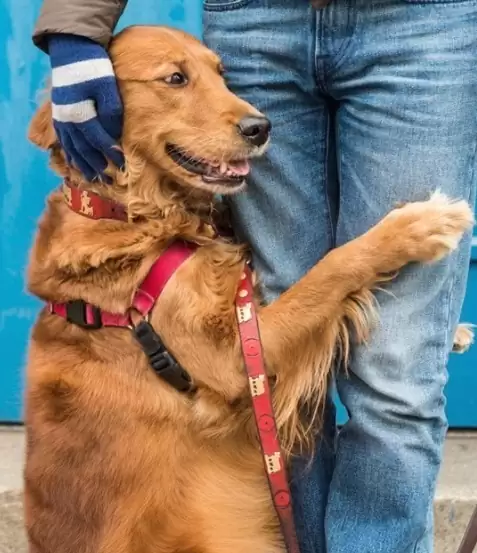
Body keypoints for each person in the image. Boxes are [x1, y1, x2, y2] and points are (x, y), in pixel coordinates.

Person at [32, 1, 477, 552]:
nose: (240, 111)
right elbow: (244, 362)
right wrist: (74, 37)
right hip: (257, 17)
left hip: (423, 20)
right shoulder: (118, 257)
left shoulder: (176, 225)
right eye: (175, 80)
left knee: (398, 380)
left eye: (214, 75)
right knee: (303, 349)